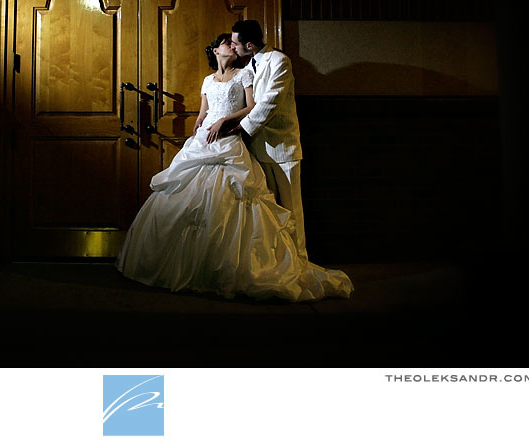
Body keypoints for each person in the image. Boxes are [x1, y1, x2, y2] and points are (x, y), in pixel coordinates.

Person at [116, 33, 353, 302]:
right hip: (205, 140)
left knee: (236, 197)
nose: (231, 46)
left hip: (230, 138)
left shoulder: (244, 74)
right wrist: (199, 126)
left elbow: (251, 106)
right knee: (186, 198)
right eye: (225, 43)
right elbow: (203, 111)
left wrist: (225, 121)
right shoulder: (208, 80)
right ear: (215, 51)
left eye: (233, 43)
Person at [229, 19, 308, 258]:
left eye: (235, 43)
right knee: (270, 211)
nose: (232, 47)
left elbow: (270, 101)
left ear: (250, 45)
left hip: (283, 148)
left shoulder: (279, 61)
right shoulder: (247, 66)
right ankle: (277, 261)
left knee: (291, 210)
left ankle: (299, 259)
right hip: (257, 149)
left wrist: (242, 128)